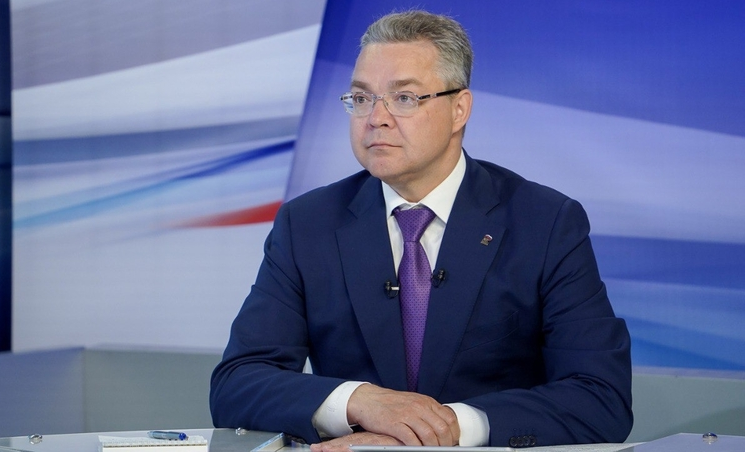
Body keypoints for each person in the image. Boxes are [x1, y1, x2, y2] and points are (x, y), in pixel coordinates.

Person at [209, 10, 632, 449]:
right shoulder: (307, 224)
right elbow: (237, 384)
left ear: (459, 109)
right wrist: (359, 402)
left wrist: (442, 430)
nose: (376, 118)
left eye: (405, 98)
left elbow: (600, 398)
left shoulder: (545, 222)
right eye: (361, 98)